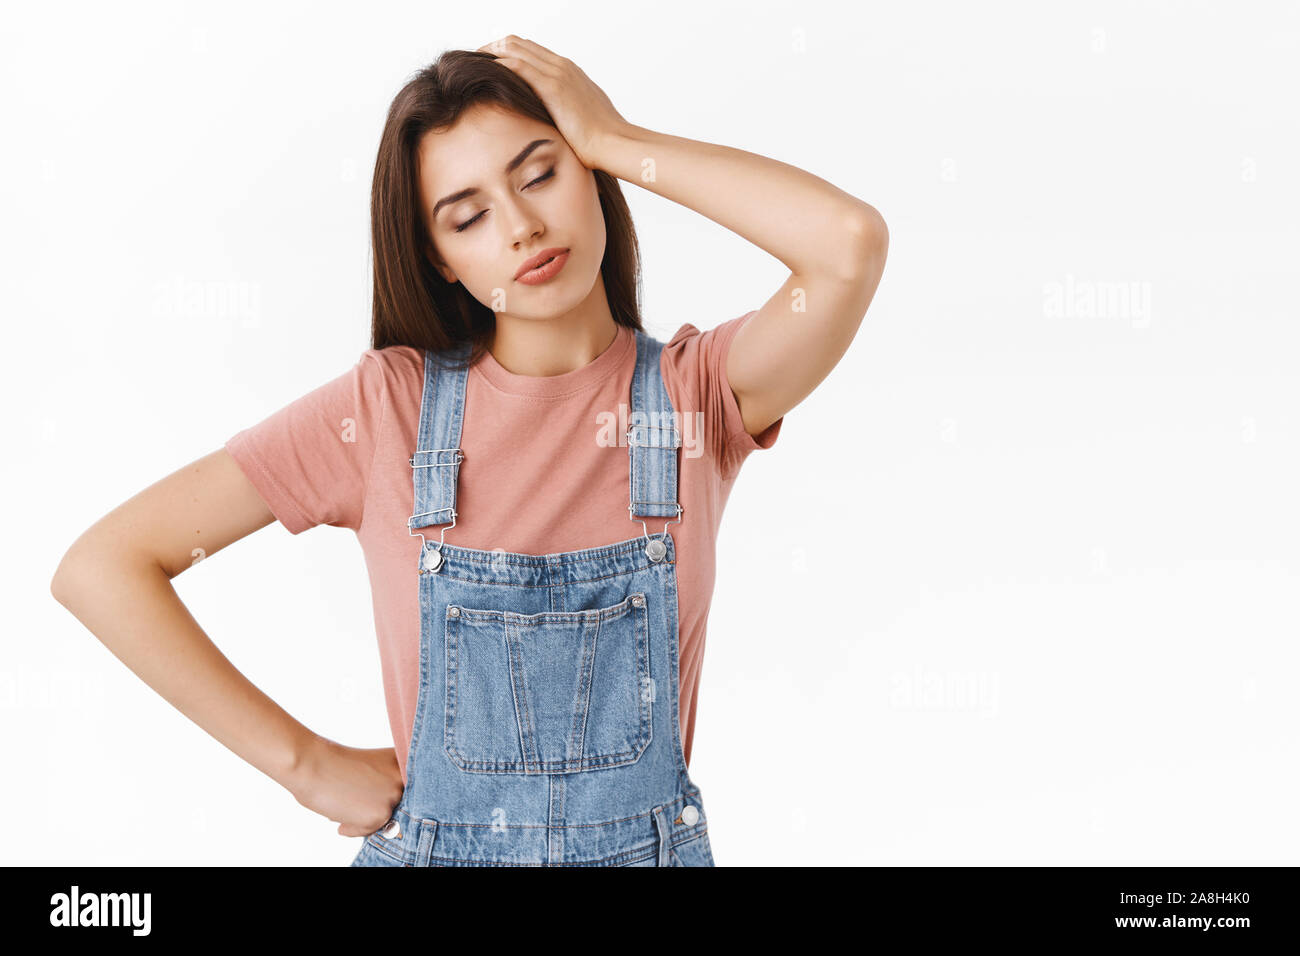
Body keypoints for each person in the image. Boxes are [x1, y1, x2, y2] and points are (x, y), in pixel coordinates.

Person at [50, 36, 888, 866]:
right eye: (470, 215)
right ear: (439, 261)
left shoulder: (695, 396)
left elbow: (848, 244)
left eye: (541, 173)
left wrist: (615, 138)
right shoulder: (386, 411)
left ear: (591, 178)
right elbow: (106, 566)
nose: (523, 227)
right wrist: (304, 767)